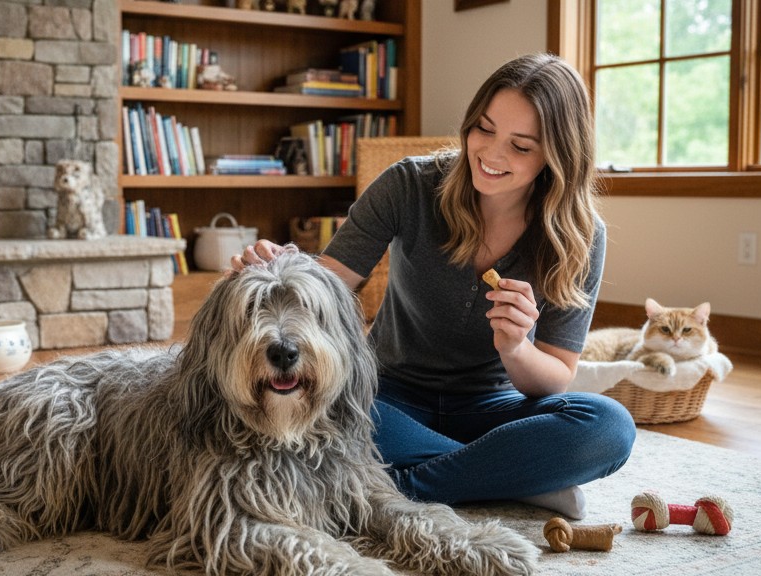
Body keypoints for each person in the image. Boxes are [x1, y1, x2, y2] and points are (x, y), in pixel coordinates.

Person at [231, 53, 636, 519]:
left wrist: (516, 347)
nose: (492, 154)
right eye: (484, 129)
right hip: (384, 398)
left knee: (608, 427)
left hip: (494, 408)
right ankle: (511, 477)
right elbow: (325, 288)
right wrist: (270, 271)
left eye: (521, 146)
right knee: (322, 406)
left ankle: (405, 485)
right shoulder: (409, 185)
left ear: (557, 156)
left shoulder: (580, 235)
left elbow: (556, 376)